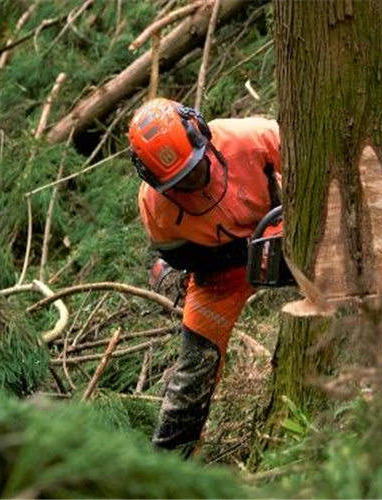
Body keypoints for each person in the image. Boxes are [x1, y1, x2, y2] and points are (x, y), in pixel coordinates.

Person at [128, 97, 281, 457]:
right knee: (194, 369)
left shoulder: (254, 139)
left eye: (195, 170)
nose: (193, 185)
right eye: (181, 182)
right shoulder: (156, 209)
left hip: (285, 229)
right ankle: (167, 465)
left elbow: (320, 170)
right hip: (222, 272)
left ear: (202, 134)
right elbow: (178, 260)